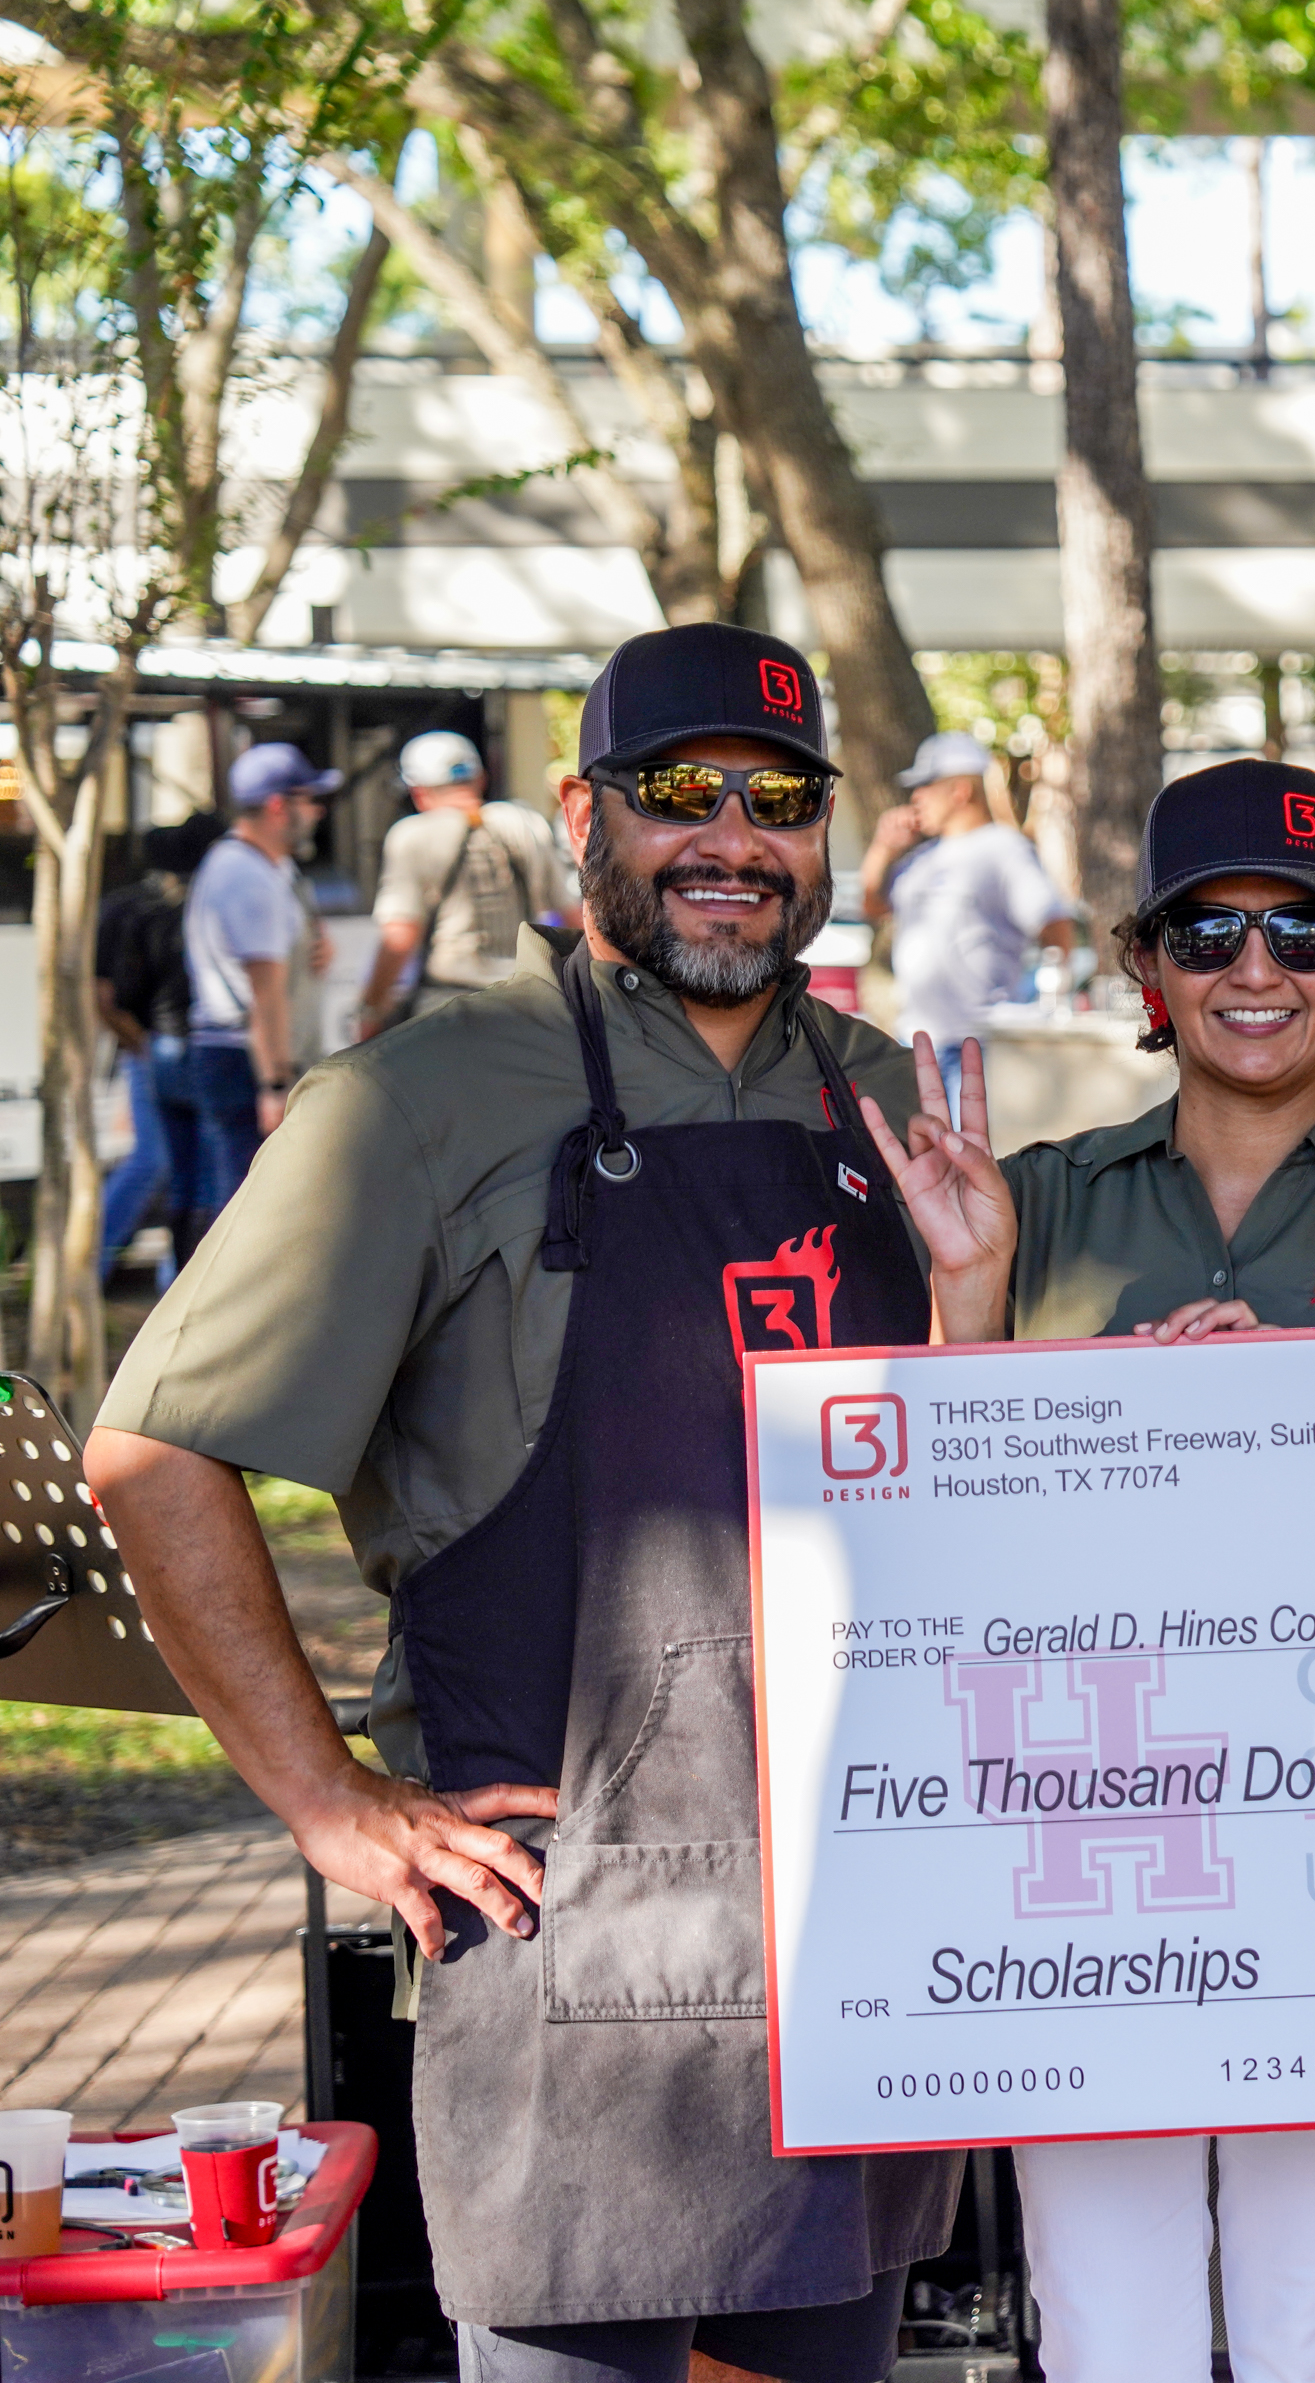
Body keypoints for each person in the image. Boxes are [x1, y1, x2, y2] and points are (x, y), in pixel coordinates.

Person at [88, 621, 961, 2380]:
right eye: (678, 794)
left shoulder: (891, 1105)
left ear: (825, 831)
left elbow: (967, 1483)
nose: (731, 836)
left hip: (849, 1939)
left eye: (776, 797)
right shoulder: (417, 1098)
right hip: (565, 1939)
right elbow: (156, 1450)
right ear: (584, 816)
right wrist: (328, 1800)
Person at [859, 759, 1315, 2383]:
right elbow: (925, 1538)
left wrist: (1302, 1411)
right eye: (1210, 929)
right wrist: (973, 1320)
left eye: (1305, 931)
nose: (1257, 968)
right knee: (1108, 2321)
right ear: (1142, 964)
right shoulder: (1032, 1207)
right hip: (1096, 1832)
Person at [183, 742, 337, 1218]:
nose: (317, 812)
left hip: (238, 1054)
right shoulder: (246, 876)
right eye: (309, 800)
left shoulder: (264, 865)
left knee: (243, 1202)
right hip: (245, 1060)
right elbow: (265, 992)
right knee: (248, 1212)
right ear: (277, 806)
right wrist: (274, 1085)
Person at [860, 728, 1079, 1055]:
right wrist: (882, 849)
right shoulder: (922, 858)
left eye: (927, 785)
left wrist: (1041, 1003)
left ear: (960, 791)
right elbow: (873, 907)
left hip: (976, 1045)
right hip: (915, 1040)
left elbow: (1054, 923)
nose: (916, 797)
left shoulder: (1004, 849)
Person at [359, 729, 578, 1035]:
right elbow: (573, 919)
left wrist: (370, 1009)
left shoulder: (412, 835)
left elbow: (400, 936)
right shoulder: (526, 823)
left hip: (448, 1009)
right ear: (480, 779)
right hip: (530, 1005)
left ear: (418, 791)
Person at [96, 814, 218, 1284]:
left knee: (171, 1165)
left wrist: (136, 1045)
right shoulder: (192, 902)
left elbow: (102, 998)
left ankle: (159, 1278)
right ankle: (175, 1283)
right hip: (173, 1044)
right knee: (187, 1168)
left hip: (151, 1043)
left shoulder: (124, 905)